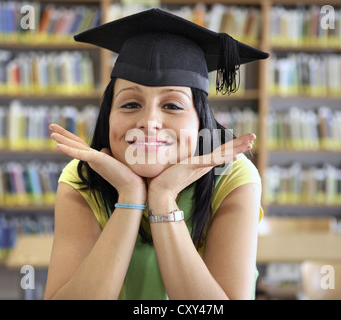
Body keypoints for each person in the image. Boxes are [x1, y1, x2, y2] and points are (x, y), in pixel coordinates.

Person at [44, 8, 268, 300]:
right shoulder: (83, 176)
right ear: (107, 116)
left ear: (200, 119)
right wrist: (129, 197)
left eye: (172, 105)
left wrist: (162, 199)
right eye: (130, 104)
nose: (149, 122)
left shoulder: (230, 175)